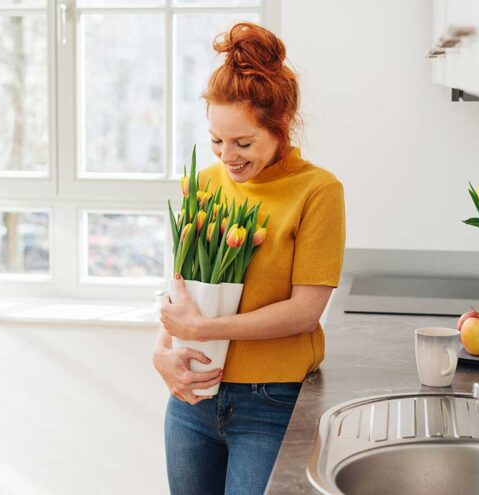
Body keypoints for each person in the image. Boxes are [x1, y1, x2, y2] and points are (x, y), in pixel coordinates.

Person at [153, 22, 346, 495]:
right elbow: (183, 287)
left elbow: (305, 313)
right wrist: (161, 353)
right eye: (217, 141)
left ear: (279, 128)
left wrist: (205, 330)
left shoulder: (318, 191)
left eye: (244, 143)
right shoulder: (205, 182)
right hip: (192, 399)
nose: (228, 157)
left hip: (271, 404)